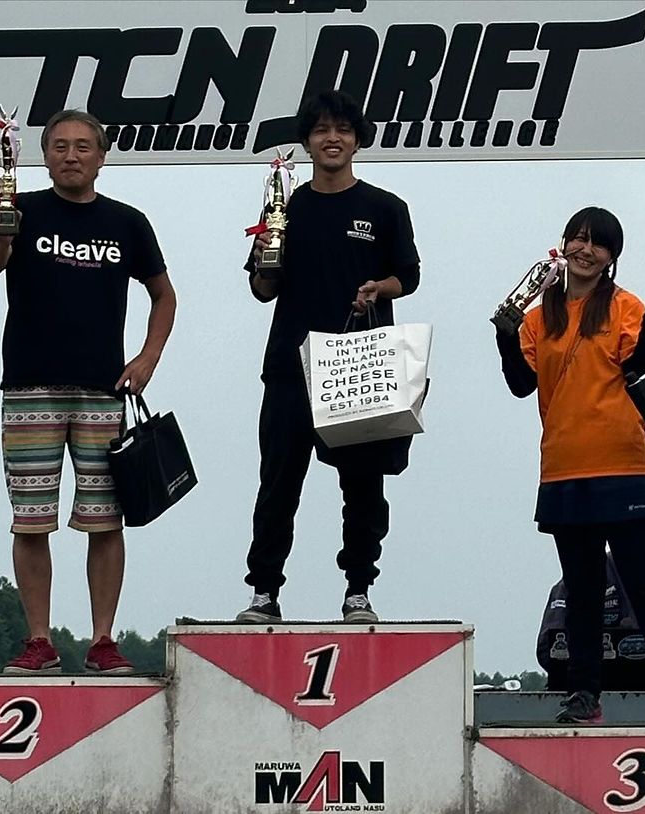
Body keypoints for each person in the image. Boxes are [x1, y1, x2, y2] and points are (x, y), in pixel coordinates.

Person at [0, 109, 177, 674]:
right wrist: (0, 237)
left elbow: (164, 295)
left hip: (102, 389)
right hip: (29, 386)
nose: (71, 155)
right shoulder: (20, 207)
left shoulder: (127, 222)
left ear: (101, 156)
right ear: (44, 155)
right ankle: (38, 641)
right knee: (30, 519)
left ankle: (102, 640)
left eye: (83, 146)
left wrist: (147, 358)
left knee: (105, 519)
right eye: (60, 145)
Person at [495, 206, 645, 723]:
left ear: (611, 257)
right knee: (581, 590)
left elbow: (639, 367)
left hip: (624, 464)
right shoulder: (539, 316)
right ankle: (583, 695)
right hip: (563, 468)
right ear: (563, 246)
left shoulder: (626, 306)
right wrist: (504, 336)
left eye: (597, 243)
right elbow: (520, 384)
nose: (585, 250)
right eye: (577, 239)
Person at [236, 90, 421, 624]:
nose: (332, 138)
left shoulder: (385, 208)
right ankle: (264, 592)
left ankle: (358, 590)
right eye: (321, 130)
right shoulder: (285, 208)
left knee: (363, 486)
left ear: (358, 139)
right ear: (307, 141)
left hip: (358, 365)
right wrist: (265, 259)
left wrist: (378, 287)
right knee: (277, 484)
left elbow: (408, 276)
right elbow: (262, 290)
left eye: (342, 129)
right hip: (290, 367)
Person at [537, 501, 645, 690]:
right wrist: (584, 682)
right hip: (589, 696)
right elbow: (549, 645)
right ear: (643, 536)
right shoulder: (580, 581)